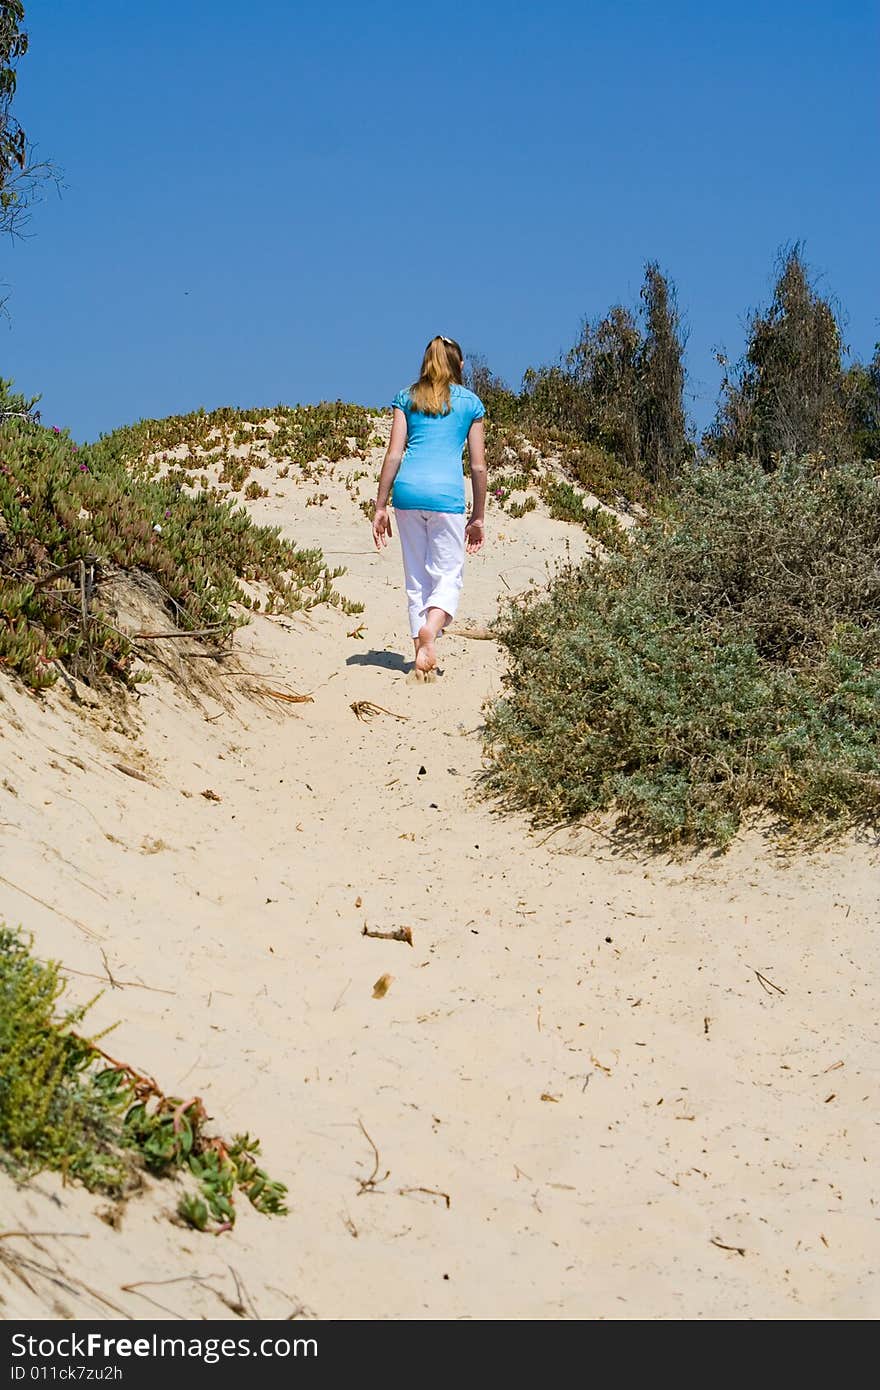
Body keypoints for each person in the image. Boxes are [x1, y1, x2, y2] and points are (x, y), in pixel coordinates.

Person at [372, 335, 487, 676]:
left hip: (407, 493)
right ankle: (431, 632)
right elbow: (478, 466)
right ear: (460, 365)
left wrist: (380, 506)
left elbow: (394, 453)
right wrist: (479, 515)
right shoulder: (470, 403)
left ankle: (420, 657)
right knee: (448, 574)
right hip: (445, 497)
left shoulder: (406, 397)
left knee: (415, 579)